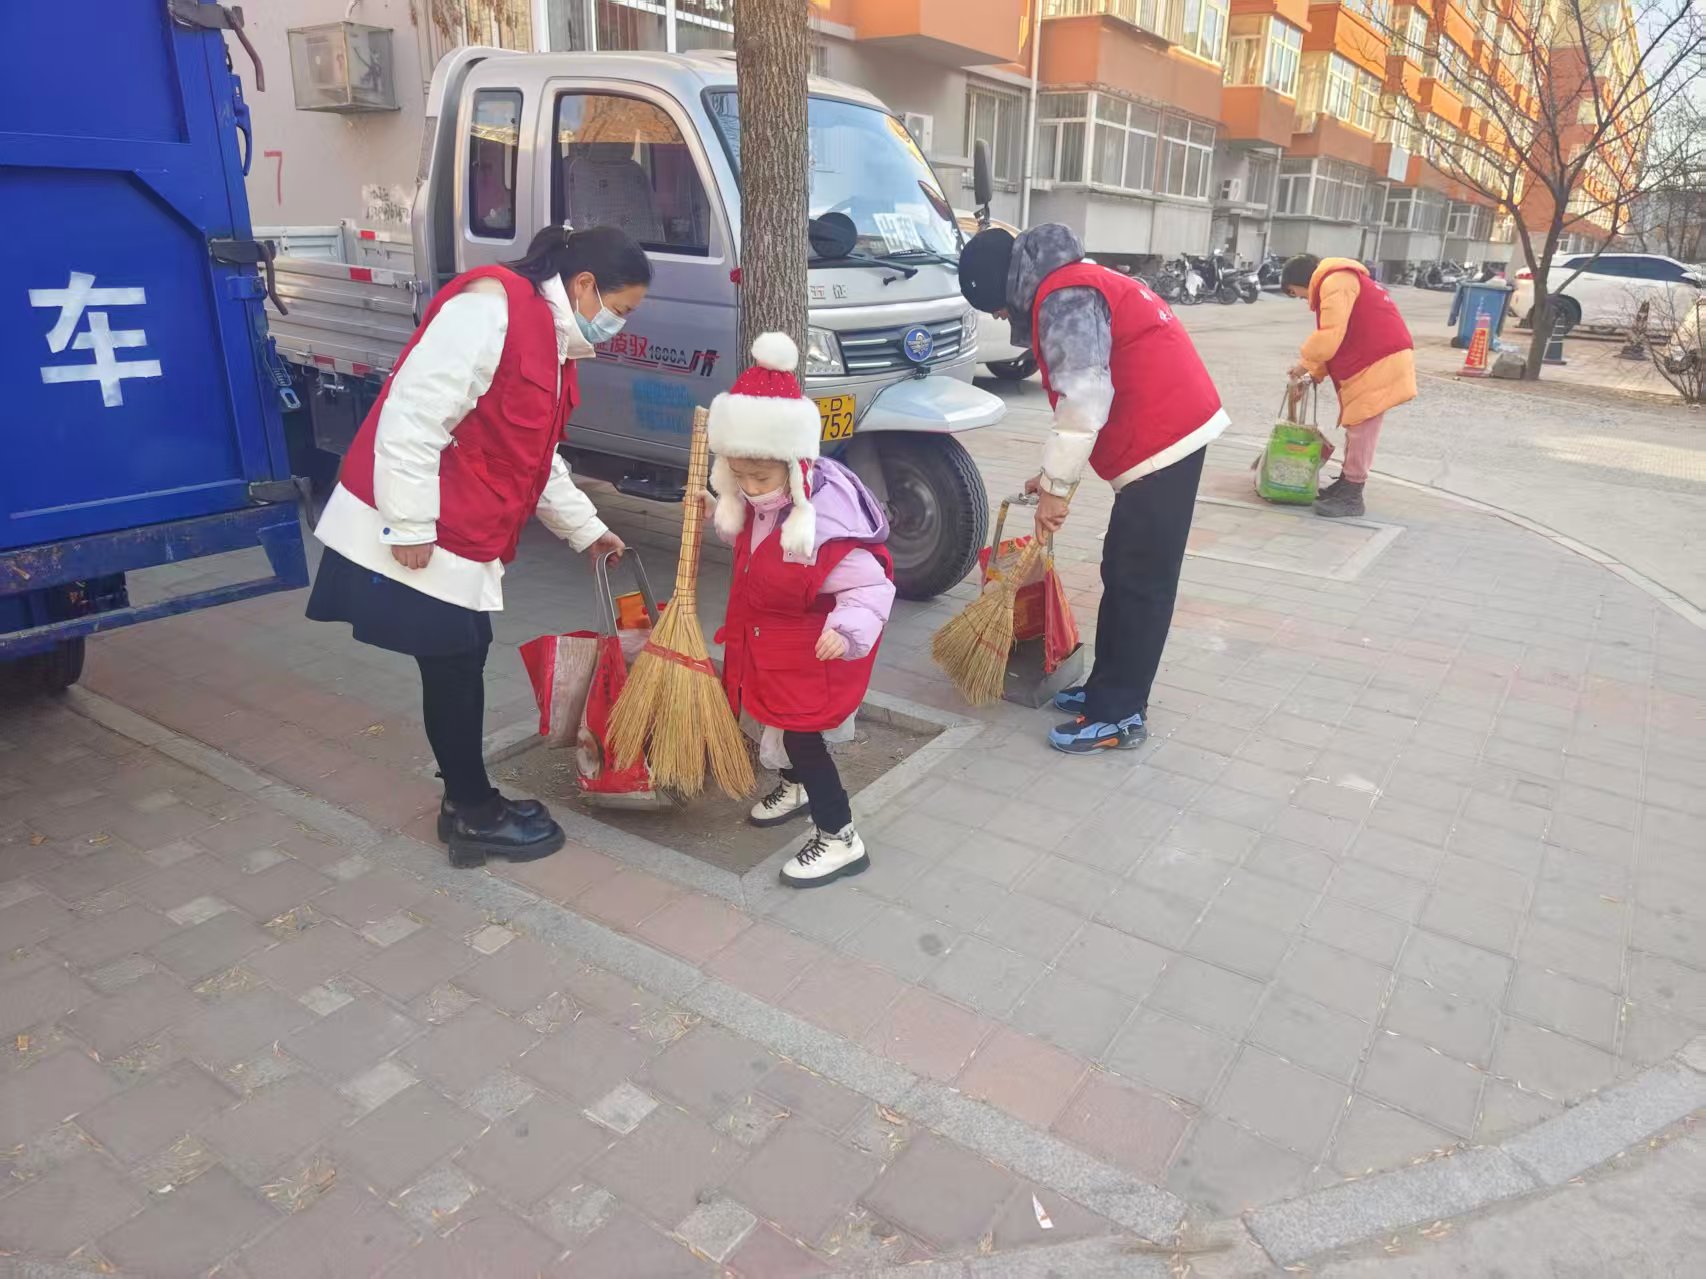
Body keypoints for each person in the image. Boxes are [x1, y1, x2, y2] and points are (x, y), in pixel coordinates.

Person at [306, 224, 650, 868]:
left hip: (459, 520)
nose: (618, 326)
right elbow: (412, 413)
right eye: (620, 310)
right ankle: (471, 812)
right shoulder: (490, 310)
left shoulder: (549, 339)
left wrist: (587, 529)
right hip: (425, 521)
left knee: (458, 657)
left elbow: (534, 456)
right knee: (456, 660)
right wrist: (407, 526)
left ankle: (469, 799)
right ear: (584, 285)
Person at [958, 223, 1228, 755]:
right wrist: (1053, 474)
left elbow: (1083, 396)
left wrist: (1058, 488)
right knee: (1122, 569)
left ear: (1005, 285)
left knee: (1140, 581)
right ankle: (1106, 689)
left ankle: (1120, 713)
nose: (996, 318)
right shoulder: (1074, 280)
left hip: (1166, 438)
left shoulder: (1065, 295)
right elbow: (1081, 399)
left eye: (994, 307)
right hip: (1167, 431)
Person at [708, 334, 895, 887]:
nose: (748, 488)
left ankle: (839, 834)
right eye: (737, 476)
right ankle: (791, 786)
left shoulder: (825, 529)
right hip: (772, 646)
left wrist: (848, 627)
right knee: (775, 721)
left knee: (803, 737)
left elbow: (873, 588)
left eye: (759, 478)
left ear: (794, 466)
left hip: (810, 654)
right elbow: (762, 553)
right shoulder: (768, 502)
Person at [1280, 254, 1417, 517]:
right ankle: (1347, 483)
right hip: (1374, 358)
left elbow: (1330, 337)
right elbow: (1335, 341)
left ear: (1300, 281)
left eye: (1295, 293)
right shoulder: (1339, 281)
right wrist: (1311, 375)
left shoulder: (1336, 282)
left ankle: (1353, 494)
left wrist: (1304, 364)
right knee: (1358, 426)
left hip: (1378, 360)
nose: (1302, 299)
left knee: (1363, 427)